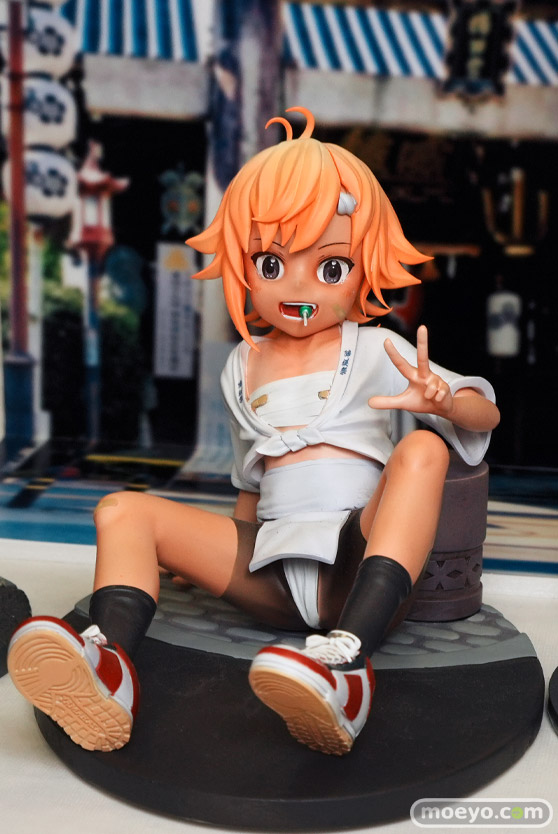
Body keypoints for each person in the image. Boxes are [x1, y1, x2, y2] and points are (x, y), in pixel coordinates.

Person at [8, 107, 499, 756]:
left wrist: (445, 400)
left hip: (355, 564)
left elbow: (485, 414)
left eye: (330, 268)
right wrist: (205, 556)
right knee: (122, 511)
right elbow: (250, 480)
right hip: (268, 568)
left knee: (423, 447)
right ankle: (109, 669)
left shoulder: (377, 346)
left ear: (365, 266)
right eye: (271, 264)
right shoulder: (242, 363)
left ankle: (348, 665)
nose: (297, 287)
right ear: (243, 264)